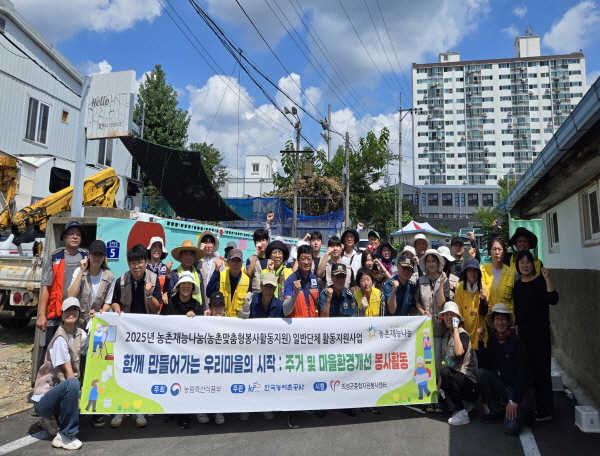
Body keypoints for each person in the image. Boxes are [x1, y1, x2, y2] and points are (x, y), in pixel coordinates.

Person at [107, 244, 162, 428]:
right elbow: (115, 301)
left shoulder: (153, 279)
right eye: (133, 263)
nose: (136, 266)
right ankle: (120, 409)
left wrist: (149, 294)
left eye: (140, 262)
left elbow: (157, 307)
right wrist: (116, 309)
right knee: (124, 369)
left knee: (142, 370)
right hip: (126, 334)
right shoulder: (121, 280)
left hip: (146, 333)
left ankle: (139, 410)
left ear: (146, 262)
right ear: (128, 263)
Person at [32, 297, 88, 450]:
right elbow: (68, 372)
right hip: (45, 399)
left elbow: (95, 347)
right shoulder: (59, 338)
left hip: (60, 393)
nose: (71, 313)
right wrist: (77, 399)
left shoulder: (80, 334)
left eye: (74, 309)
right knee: (73, 383)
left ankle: (50, 419)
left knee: (85, 391)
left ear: (79, 312)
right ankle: (65, 435)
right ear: (61, 314)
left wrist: (97, 319)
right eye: (67, 310)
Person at [513, 250, 559, 421]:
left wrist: (547, 278)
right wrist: (516, 329)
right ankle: (531, 407)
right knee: (527, 371)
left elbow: (553, 299)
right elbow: (517, 310)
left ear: (533, 264)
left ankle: (546, 410)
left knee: (542, 372)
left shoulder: (540, 281)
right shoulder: (518, 285)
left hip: (540, 334)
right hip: (524, 334)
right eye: (522, 262)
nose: (525, 265)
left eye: (528, 262)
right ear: (518, 265)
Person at [477, 304, 536, 435]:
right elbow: (486, 363)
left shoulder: (517, 342)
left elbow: (522, 373)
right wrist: (481, 343)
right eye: (497, 319)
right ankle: (497, 410)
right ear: (493, 322)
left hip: (522, 390)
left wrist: (515, 400)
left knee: (511, 429)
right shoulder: (493, 339)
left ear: (509, 321)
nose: (500, 322)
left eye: (503, 319)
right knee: (481, 373)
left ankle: (526, 410)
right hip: (505, 385)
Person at [37, 221, 88, 366]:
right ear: (64, 237)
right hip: (56, 313)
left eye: (78, 234)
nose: (75, 237)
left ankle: (73, 378)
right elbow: (46, 287)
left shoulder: (87, 257)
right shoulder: (55, 258)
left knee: (76, 351)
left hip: (78, 315)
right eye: (71, 234)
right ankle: (44, 379)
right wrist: (41, 315)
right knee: (50, 350)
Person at [282, 244, 319, 429]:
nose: (306, 262)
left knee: (309, 372)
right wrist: (296, 294)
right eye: (303, 259)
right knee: (295, 376)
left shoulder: (315, 280)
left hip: (312, 335)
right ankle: (293, 412)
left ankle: (306, 403)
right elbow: (285, 309)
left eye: (309, 259)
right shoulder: (290, 280)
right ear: (297, 260)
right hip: (295, 336)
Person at [161, 272, 202, 429]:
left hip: (189, 353)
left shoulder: (197, 305)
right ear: (178, 287)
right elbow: (161, 324)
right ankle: (170, 411)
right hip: (171, 350)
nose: (186, 286)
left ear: (192, 287)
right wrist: (165, 305)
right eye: (183, 284)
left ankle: (185, 415)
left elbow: (201, 328)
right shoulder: (170, 302)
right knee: (171, 381)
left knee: (186, 383)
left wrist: (195, 317)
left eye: (189, 284)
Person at [415, 249, 450, 412]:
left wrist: (441, 284)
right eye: (428, 261)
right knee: (426, 366)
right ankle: (429, 399)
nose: (431, 264)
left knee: (439, 366)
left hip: (440, 329)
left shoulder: (445, 280)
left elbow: (442, 303)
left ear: (438, 263)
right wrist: (422, 311)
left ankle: (438, 399)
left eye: (433, 261)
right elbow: (417, 301)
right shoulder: (420, 280)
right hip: (425, 330)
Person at [437, 302, 480, 426]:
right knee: (440, 397)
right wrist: (437, 389)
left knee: (445, 372)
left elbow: (459, 352)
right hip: (456, 379)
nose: (448, 317)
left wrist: (456, 328)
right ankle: (464, 405)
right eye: (446, 314)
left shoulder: (462, 334)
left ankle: (462, 412)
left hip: (468, 382)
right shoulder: (446, 336)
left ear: (457, 317)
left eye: (452, 314)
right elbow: (444, 363)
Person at [67, 239, 115, 332]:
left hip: (97, 324)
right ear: (88, 255)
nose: (97, 258)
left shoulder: (109, 276)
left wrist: (101, 312)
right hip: (78, 323)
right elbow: (71, 296)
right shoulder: (79, 271)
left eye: (100, 255)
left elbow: (108, 302)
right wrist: (81, 271)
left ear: (104, 257)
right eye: (94, 254)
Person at [197, 292, 226, 425]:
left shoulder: (231, 322)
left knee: (220, 383)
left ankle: (219, 410)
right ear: (210, 308)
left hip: (222, 363)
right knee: (204, 383)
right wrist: (204, 321)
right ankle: (202, 410)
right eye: (215, 306)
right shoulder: (203, 321)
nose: (218, 308)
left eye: (220, 305)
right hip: (206, 362)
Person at [453, 258, 489, 349]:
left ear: (479, 273)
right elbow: (457, 312)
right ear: (465, 272)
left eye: (475, 270)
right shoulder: (459, 287)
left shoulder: (485, 288)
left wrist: (483, 300)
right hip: (464, 332)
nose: (472, 273)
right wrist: (460, 331)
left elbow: (484, 313)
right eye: (469, 270)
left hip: (480, 333)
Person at [206, 249, 250, 318]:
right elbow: (209, 293)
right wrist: (216, 272)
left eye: (238, 261)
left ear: (242, 263)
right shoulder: (221, 276)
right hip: (222, 320)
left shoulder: (247, 281)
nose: (235, 263)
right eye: (233, 260)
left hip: (238, 322)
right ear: (228, 262)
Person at [167, 240, 206, 310]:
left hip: (196, 310)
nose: (189, 257)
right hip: (178, 310)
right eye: (186, 254)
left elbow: (202, 295)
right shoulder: (174, 274)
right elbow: (170, 293)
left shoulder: (198, 274)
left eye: (191, 254)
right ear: (180, 256)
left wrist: (203, 310)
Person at [481, 238, 514, 313]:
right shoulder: (482, 270)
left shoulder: (512, 273)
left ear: (504, 252)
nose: (497, 252)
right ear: (490, 251)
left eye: (499, 249)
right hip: (488, 315)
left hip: (505, 316)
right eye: (494, 249)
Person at [246, 213, 274, 292]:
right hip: (255, 293)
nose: (261, 243)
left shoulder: (271, 259)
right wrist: (256, 254)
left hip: (268, 293)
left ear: (267, 242)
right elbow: (249, 273)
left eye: (263, 240)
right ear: (255, 243)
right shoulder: (250, 259)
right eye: (258, 240)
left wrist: (268, 223)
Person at [196, 230, 225, 298]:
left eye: (211, 242)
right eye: (206, 243)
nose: (209, 246)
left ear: (214, 245)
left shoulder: (220, 262)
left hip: (214, 300)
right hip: (199, 299)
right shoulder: (198, 261)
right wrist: (200, 250)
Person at [146, 236, 172, 304]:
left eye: (160, 247)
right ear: (150, 249)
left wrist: (168, 275)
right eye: (154, 246)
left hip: (161, 305)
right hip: (146, 305)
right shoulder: (144, 268)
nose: (157, 249)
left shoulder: (166, 268)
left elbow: (169, 292)